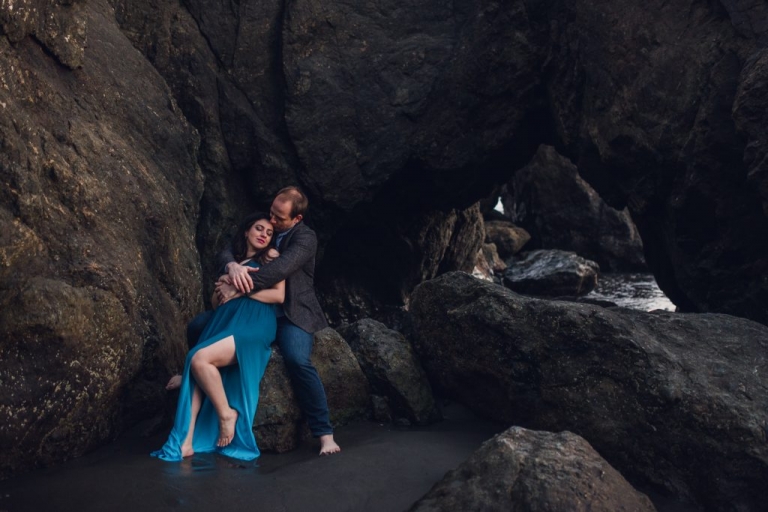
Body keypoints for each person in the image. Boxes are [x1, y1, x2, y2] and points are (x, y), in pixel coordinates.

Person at [216, 186, 341, 456]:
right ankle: (191, 372)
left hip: (292, 312)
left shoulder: (305, 238)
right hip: (258, 308)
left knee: (298, 360)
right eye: (271, 213)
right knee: (200, 326)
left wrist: (238, 287)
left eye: (278, 218)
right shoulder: (265, 227)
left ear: (296, 219)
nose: (271, 222)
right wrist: (232, 266)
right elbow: (230, 246)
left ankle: (325, 434)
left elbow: (280, 270)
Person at [152, 213, 284, 461]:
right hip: (226, 319)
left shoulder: (271, 257)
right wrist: (223, 287)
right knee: (195, 360)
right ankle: (186, 442)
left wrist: (240, 292)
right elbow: (217, 303)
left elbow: (279, 296)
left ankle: (226, 415)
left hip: (255, 321)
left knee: (200, 359)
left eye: (269, 233)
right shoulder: (231, 262)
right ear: (246, 231)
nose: (263, 235)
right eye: (258, 228)